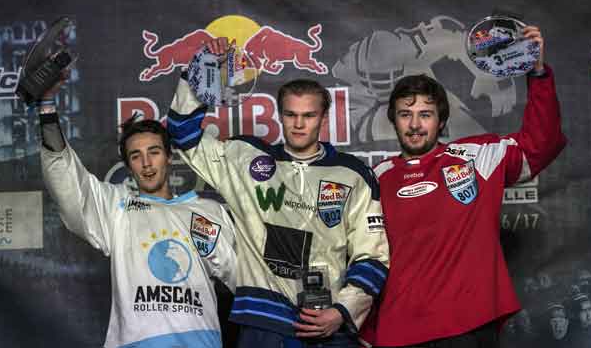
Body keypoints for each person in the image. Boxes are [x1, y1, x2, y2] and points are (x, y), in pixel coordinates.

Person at [167, 37, 390, 347]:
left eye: (309, 116)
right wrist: (202, 72)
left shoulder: (352, 174)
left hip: (324, 323)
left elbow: (373, 256)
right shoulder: (244, 158)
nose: (299, 124)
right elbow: (183, 133)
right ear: (279, 115)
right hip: (263, 321)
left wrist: (342, 311)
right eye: (290, 115)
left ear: (323, 119)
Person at [361, 26, 567, 347]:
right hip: (398, 331)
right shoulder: (375, 179)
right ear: (394, 120)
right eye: (406, 115)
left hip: (467, 327)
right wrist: (368, 330)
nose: (415, 125)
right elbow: (365, 259)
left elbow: (541, 144)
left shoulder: (477, 157)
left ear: (441, 120)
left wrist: (537, 73)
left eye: (425, 114)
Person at [38, 78, 236, 348]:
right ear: (128, 165)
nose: (146, 163)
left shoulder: (206, 212)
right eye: (135, 156)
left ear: (169, 155)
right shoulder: (116, 209)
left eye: (154, 152)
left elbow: (245, 279)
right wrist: (47, 110)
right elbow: (69, 184)